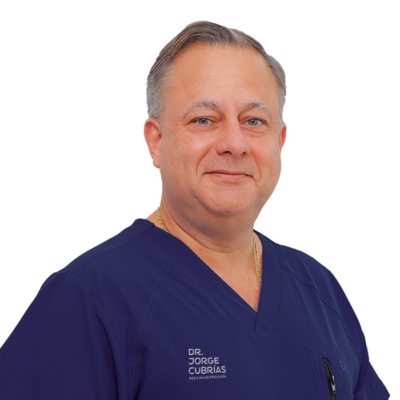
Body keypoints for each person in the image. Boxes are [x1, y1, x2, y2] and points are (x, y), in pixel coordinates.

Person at [0, 20, 390, 400]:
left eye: (254, 121)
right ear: (156, 140)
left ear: (280, 140)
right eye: (204, 119)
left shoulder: (320, 288)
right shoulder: (85, 298)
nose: (234, 143)